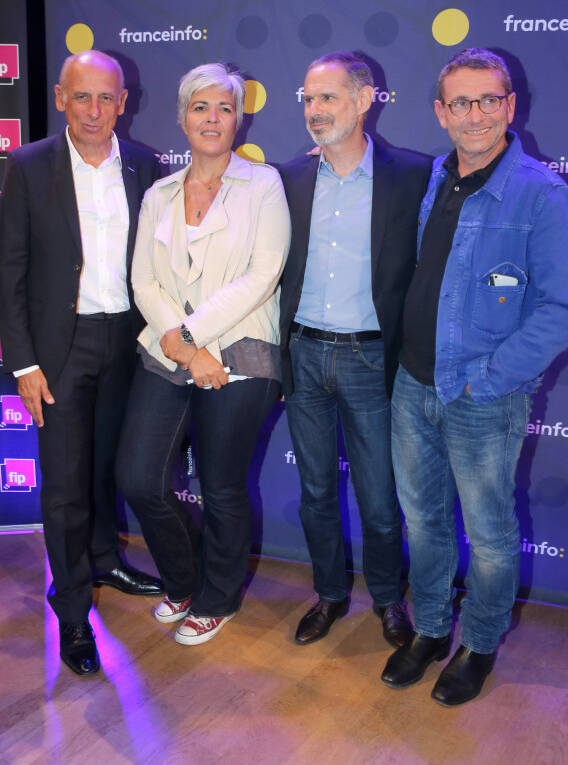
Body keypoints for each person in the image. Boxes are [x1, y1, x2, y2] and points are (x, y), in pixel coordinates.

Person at [381, 48, 568, 706]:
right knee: (425, 523)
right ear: (441, 113)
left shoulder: (541, 193)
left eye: (488, 100)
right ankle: (434, 628)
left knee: (490, 535)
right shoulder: (437, 176)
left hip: (481, 397)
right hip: (413, 385)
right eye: (460, 102)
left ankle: (481, 643)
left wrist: (492, 378)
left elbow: (564, 307)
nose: (475, 115)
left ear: (510, 106)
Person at [0, 50, 163, 677]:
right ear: (61, 99)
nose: (94, 111)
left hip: (126, 341)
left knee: (103, 469)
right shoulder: (28, 164)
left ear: (123, 102)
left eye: (107, 98)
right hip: (57, 351)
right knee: (64, 487)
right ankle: (71, 611)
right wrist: (22, 363)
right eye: (82, 97)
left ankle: (105, 559)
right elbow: (8, 271)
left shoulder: (144, 165)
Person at [116, 62, 290, 646]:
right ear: (182, 116)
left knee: (221, 487)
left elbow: (262, 275)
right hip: (168, 350)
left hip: (241, 351)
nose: (211, 119)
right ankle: (184, 580)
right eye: (200, 107)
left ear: (238, 118)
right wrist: (186, 347)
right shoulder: (161, 192)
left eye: (223, 108)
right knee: (138, 478)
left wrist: (193, 338)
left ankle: (217, 598)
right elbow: (143, 279)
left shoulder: (262, 185)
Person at [278, 51, 432, 647]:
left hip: (373, 360)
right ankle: (329, 594)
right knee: (315, 491)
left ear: (365, 101)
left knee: (377, 498)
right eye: (309, 99)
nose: (315, 111)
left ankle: (389, 600)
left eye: (329, 98)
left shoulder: (413, 175)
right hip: (304, 355)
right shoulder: (289, 178)